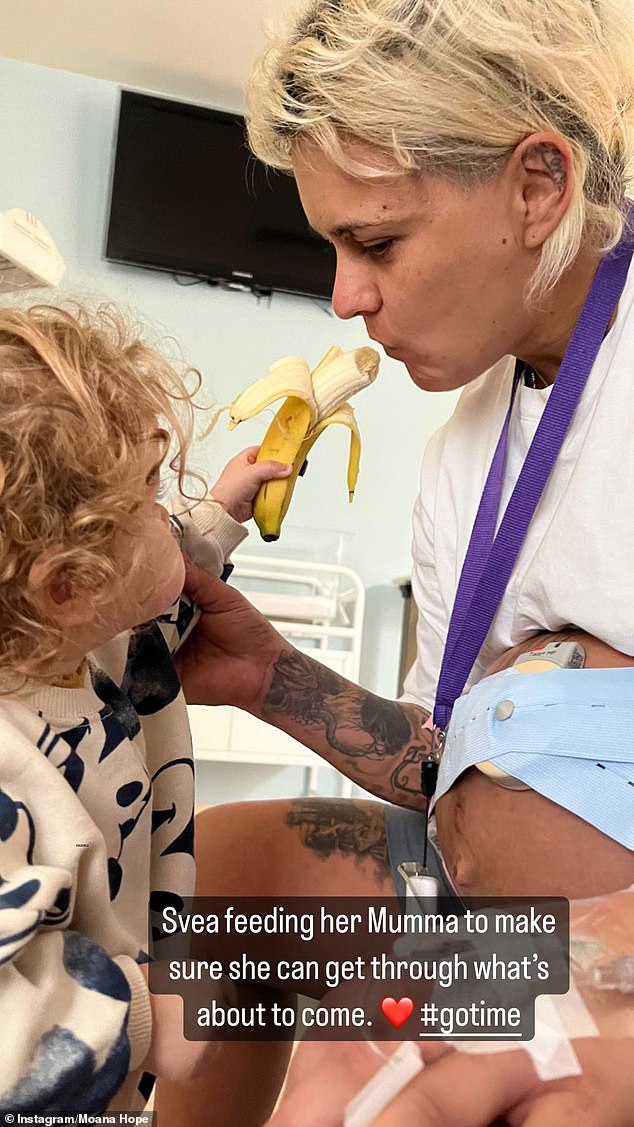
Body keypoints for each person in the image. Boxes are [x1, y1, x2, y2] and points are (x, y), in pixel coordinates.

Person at [155, 0, 634, 1122]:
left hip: (603, 946)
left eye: (375, 242)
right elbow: (447, 766)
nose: (345, 296)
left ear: (537, 187)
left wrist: (603, 954)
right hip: (498, 921)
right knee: (214, 883)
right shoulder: (463, 445)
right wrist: (268, 675)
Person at [0, 303, 291, 1114]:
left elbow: (153, 600)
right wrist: (145, 1015)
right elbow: (9, 1029)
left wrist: (219, 518)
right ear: (66, 584)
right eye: (151, 501)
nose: (170, 513)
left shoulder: (80, 639)